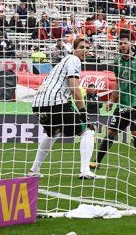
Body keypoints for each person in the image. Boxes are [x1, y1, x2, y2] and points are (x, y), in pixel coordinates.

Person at [29, 39, 96, 179]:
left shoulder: (62, 62)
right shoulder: (74, 59)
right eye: (81, 47)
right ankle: (85, 171)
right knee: (88, 131)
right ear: (74, 48)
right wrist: (83, 113)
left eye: (87, 48)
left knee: (53, 134)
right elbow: (74, 88)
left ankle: (34, 170)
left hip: (38, 104)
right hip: (56, 101)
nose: (85, 50)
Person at [91, 34, 136, 170]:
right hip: (123, 104)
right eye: (120, 44)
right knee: (111, 132)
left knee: (135, 132)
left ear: (131, 43)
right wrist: (112, 100)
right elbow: (118, 83)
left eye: (124, 43)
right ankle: (97, 161)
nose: (122, 46)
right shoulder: (118, 62)